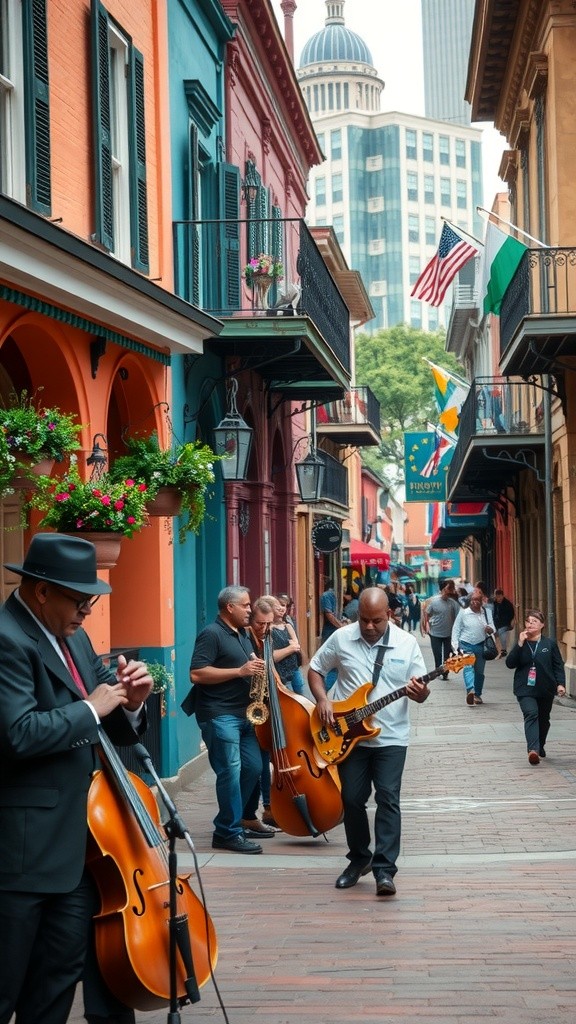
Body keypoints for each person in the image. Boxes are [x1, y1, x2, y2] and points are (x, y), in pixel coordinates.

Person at [0, 533, 153, 1024]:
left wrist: (131, 703)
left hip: (84, 848)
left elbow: (106, 723)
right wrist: (92, 705)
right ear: (41, 590)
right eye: (79, 598)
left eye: (91, 599)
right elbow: (18, 734)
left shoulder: (76, 637)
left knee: (59, 977)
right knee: (7, 985)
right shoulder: (6, 639)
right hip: (23, 851)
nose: (87, 609)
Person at [308, 587, 429, 897]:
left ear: (388, 614)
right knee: (351, 799)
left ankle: (385, 871)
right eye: (364, 620)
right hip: (349, 737)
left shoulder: (406, 643)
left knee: (388, 799)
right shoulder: (342, 638)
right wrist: (322, 700)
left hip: (392, 736)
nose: (370, 627)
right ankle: (359, 858)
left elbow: (421, 689)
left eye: (376, 620)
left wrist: (421, 693)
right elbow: (316, 669)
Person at [185, 585, 266, 854]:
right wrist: (240, 671)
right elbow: (196, 674)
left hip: (244, 714)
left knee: (253, 767)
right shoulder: (211, 634)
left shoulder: (242, 633)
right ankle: (228, 833)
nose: (249, 609)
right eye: (245, 605)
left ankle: (232, 821)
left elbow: (248, 663)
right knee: (230, 771)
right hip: (219, 714)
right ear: (229, 607)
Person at [505, 609, 566, 765]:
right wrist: (519, 644)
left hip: (545, 688)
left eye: (534, 621)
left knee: (544, 720)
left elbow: (557, 665)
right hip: (524, 687)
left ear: (542, 625)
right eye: (528, 621)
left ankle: (540, 745)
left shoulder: (549, 644)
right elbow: (510, 664)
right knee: (531, 713)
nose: (530, 624)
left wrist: (560, 684)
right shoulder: (521, 642)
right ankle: (533, 750)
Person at [241, 597, 278, 837]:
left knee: (262, 761)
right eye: (260, 624)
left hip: (261, 707)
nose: (263, 629)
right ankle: (246, 815)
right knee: (255, 765)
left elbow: (270, 666)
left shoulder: (266, 638)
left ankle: (255, 813)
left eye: (268, 624)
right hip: (246, 708)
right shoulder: (245, 638)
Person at [451, 587, 496, 705]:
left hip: (481, 645)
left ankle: (478, 694)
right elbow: (456, 629)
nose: (475, 602)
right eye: (473, 600)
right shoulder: (463, 613)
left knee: (479, 672)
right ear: (469, 601)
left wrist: (490, 629)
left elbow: (493, 627)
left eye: (478, 600)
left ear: (482, 601)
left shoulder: (487, 612)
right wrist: (455, 646)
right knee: (468, 668)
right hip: (466, 644)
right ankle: (470, 690)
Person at [420, 579, 460, 679]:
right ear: (442, 589)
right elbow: (427, 614)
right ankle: (438, 671)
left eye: (450, 589)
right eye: (447, 588)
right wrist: (426, 626)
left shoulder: (453, 603)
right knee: (437, 654)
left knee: (447, 655)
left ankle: (445, 672)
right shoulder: (434, 602)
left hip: (448, 634)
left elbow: (458, 618)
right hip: (435, 634)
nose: (449, 591)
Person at [271, 595, 305, 695]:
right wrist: (291, 647)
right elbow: (274, 657)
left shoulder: (288, 626)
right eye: (279, 605)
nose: (281, 608)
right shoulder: (270, 629)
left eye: (284, 605)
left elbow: (297, 646)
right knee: (289, 696)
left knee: (300, 694)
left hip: (295, 668)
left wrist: (292, 647)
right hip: (282, 672)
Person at [319, 578, 342, 689]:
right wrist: (342, 626)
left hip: (332, 632)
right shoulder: (328, 595)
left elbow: (330, 615)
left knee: (333, 667)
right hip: (331, 633)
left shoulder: (328, 595)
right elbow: (329, 615)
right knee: (332, 666)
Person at [492, 588, 516, 657]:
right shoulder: (494, 603)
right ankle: (497, 649)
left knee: (501, 632)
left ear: (502, 596)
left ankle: (504, 649)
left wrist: (508, 622)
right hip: (496, 623)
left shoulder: (507, 604)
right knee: (494, 633)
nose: (498, 598)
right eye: (496, 597)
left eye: (499, 597)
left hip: (505, 623)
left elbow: (511, 614)